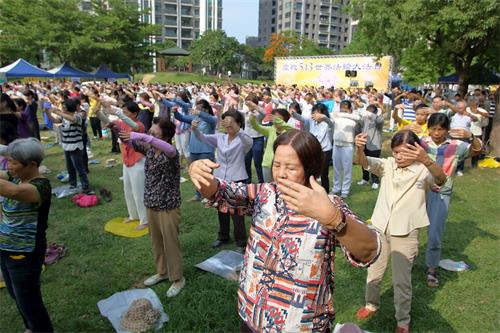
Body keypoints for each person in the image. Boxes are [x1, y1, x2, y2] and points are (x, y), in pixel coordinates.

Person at [188, 129, 381, 332]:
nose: (280, 173)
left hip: (299, 325)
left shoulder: (327, 206)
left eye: (290, 167)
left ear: (310, 169)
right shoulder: (266, 193)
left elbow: (371, 251)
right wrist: (198, 172)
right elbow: (221, 192)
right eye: (277, 164)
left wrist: (333, 219)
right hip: (252, 315)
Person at [354, 130, 446, 333]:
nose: (399, 157)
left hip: (405, 231)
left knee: (401, 280)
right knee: (374, 271)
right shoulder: (388, 165)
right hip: (380, 227)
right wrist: (359, 147)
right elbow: (361, 161)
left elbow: (441, 180)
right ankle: (371, 304)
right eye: (396, 152)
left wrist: (426, 159)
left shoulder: (423, 170)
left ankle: (402, 320)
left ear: (417, 150)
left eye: (405, 152)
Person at [120, 118, 185, 297]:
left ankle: (178, 278)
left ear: (165, 136)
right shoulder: (149, 150)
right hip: (151, 203)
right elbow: (129, 140)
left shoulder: (171, 153)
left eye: (154, 134)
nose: (149, 137)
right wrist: (114, 126)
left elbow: (169, 149)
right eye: (150, 133)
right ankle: (162, 272)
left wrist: (142, 135)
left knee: (170, 242)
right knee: (156, 241)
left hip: (168, 205)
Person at [420, 113, 482, 288]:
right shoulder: (421, 143)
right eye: (433, 129)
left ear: (447, 130)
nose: (437, 133)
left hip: (441, 192)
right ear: (428, 128)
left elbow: (479, 150)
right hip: (418, 191)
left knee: (434, 234)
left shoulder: (457, 146)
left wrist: (471, 136)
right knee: (412, 230)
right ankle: (406, 262)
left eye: (440, 129)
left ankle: (431, 268)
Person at [0, 138, 53, 332]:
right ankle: (31, 328)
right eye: (9, 161)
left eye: (13, 162)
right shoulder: (16, 175)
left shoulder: (40, 186)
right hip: (6, 248)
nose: (9, 166)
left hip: (25, 253)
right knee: (17, 295)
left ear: (32, 165)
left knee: (29, 300)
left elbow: (13, 192)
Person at [192, 110, 252, 252]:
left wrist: (238, 130)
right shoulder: (220, 137)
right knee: (221, 209)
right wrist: (194, 129)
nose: (228, 126)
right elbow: (203, 138)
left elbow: (249, 142)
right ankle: (223, 236)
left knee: (237, 213)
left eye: (231, 123)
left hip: (237, 179)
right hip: (220, 179)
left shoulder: (243, 139)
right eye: (226, 123)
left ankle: (241, 242)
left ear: (238, 123)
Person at [44, 98, 93, 194]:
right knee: (70, 167)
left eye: (63, 107)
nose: (62, 108)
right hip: (67, 146)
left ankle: (86, 187)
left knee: (79, 168)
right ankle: (72, 183)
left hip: (75, 146)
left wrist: (58, 112)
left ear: (69, 108)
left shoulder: (78, 116)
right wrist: (48, 113)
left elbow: (73, 119)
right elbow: (55, 121)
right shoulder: (64, 117)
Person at [173, 99, 217, 202]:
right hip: (194, 150)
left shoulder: (211, 119)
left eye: (199, 108)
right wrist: (175, 112)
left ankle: (210, 196)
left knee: (207, 175)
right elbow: (182, 118)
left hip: (206, 151)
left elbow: (211, 119)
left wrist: (199, 112)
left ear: (206, 110)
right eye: (196, 108)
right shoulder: (194, 118)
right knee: (196, 174)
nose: (196, 110)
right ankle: (198, 195)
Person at [290, 103, 333, 192]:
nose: (315, 115)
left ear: (323, 113)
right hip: (314, 150)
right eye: (313, 113)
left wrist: (324, 117)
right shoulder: (311, 121)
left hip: (325, 151)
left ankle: (326, 193)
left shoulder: (328, 123)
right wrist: (294, 113)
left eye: (317, 113)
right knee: (311, 172)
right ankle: (311, 191)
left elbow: (330, 123)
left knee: (324, 174)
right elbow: (301, 118)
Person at [248, 106, 294, 182]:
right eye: (274, 118)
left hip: (283, 165)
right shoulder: (270, 130)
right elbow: (257, 127)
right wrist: (252, 118)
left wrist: (279, 122)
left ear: (284, 119)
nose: (275, 120)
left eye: (278, 118)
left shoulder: (288, 131)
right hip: (267, 165)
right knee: (269, 187)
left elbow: (294, 130)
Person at [331, 100, 361, 198]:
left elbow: (358, 117)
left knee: (347, 169)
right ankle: (336, 188)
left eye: (344, 106)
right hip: (336, 144)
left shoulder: (352, 118)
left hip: (347, 145)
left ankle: (345, 191)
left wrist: (342, 114)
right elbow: (331, 114)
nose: (342, 108)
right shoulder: (336, 116)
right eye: (341, 106)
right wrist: (339, 114)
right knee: (336, 168)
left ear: (349, 108)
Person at [358, 104, 385, 189]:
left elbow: (379, 121)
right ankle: (365, 179)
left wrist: (370, 114)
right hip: (364, 144)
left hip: (375, 146)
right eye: (367, 111)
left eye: (370, 111)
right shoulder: (364, 118)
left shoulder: (379, 119)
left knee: (374, 164)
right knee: (364, 162)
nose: (367, 113)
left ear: (375, 113)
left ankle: (375, 181)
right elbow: (359, 124)